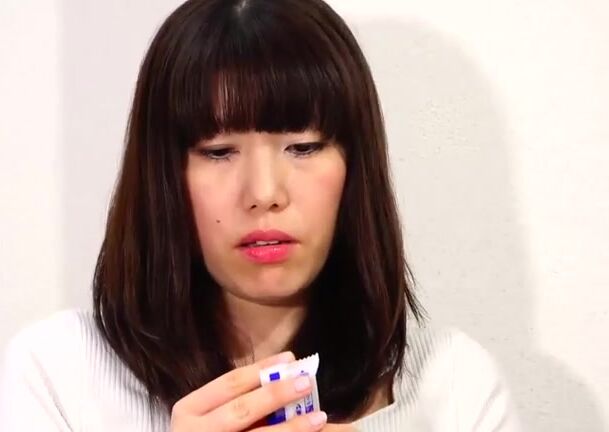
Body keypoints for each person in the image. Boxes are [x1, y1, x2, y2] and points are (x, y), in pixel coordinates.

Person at [0, 0, 521, 430]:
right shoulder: (57, 376)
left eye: (303, 146)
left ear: (355, 168)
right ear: (163, 176)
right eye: (218, 151)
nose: (264, 194)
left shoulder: (454, 388)